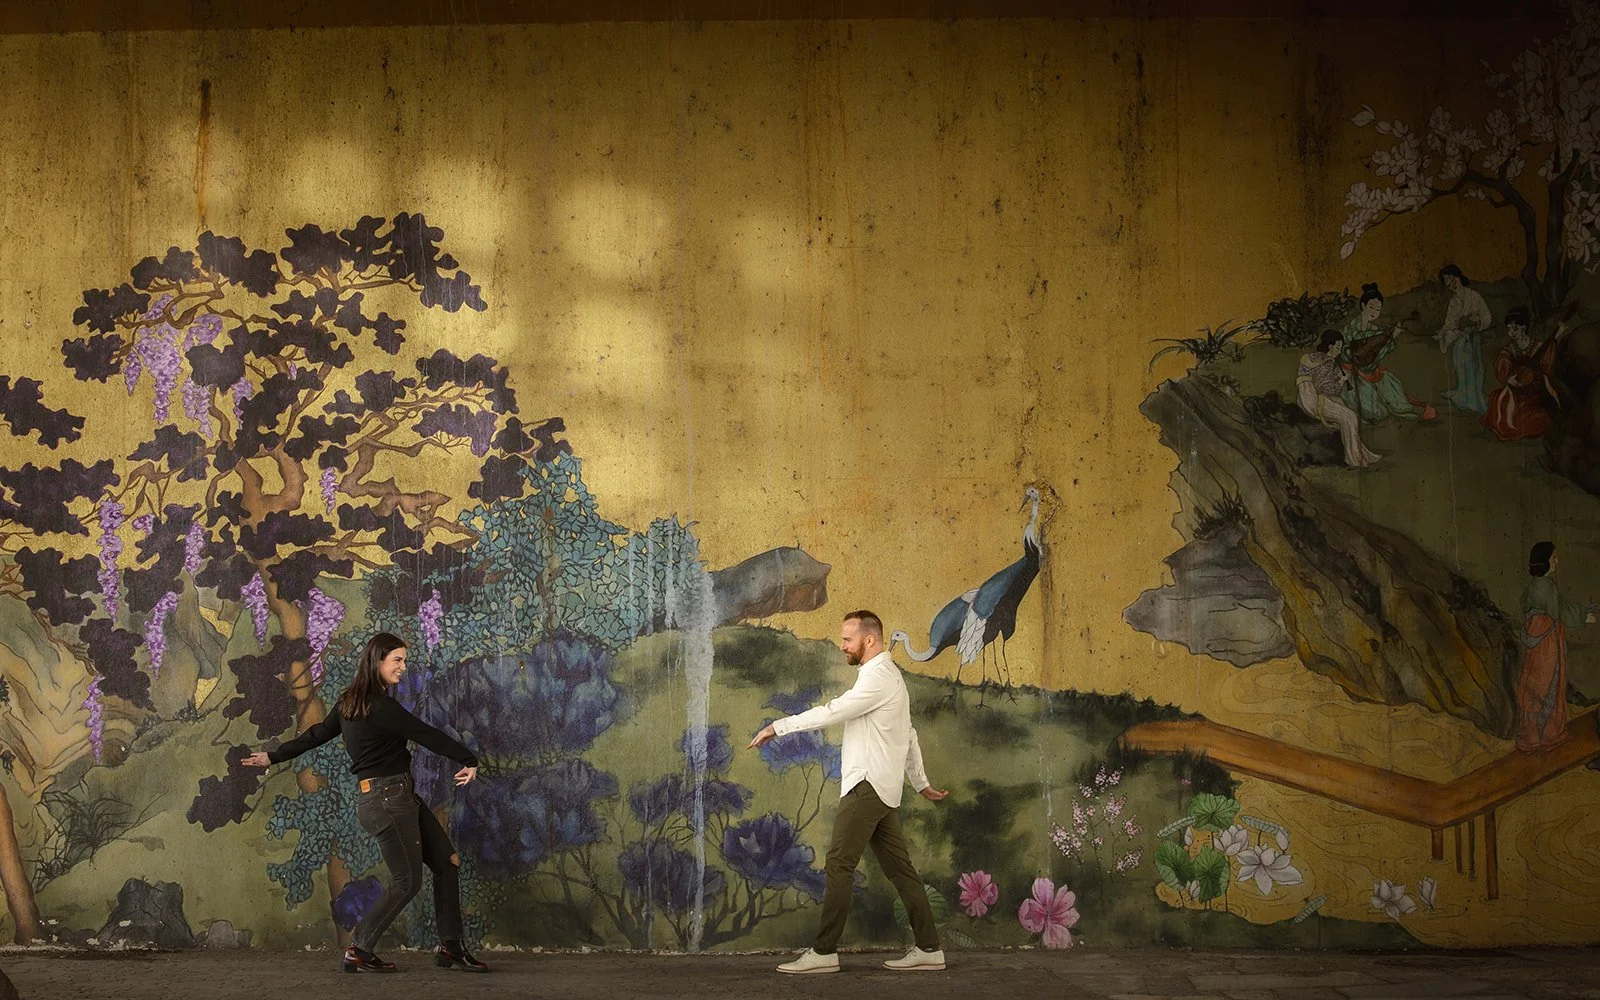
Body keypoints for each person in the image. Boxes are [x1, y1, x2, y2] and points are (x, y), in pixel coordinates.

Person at [242, 632, 487, 974]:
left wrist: (273, 756)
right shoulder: (380, 706)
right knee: (407, 881)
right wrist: (469, 759)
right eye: (397, 660)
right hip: (389, 801)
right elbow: (424, 734)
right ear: (377, 662)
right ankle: (359, 948)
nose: (403, 666)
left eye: (404, 659)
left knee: (447, 862)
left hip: (394, 798)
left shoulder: (349, 702)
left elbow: (314, 736)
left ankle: (451, 947)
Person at [748, 610, 949, 975]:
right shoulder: (888, 677)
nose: (842, 645)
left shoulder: (878, 679)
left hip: (866, 786)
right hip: (882, 791)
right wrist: (919, 783)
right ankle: (929, 948)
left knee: (840, 865)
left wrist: (779, 726)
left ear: (869, 640)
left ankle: (824, 952)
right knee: (901, 871)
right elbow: (910, 734)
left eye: (847, 639)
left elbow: (832, 711)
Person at [1514, 542, 1597, 754]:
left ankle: (1530, 738)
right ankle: (1550, 736)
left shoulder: (1534, 585)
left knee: (1533, 687)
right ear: (1545, 561)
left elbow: (1529, 605)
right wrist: (1582, 616)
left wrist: (1581, 611)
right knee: (1549, 685)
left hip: (1535, 646)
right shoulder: (1548, 586)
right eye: (1554, 558)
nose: (1557, 562)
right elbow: (1557, 610)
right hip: (1548, 644)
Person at [1340, 282, 1437, 423]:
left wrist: (1394, 335)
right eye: (1371, 307)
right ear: (1363, 306)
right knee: (1376, 413)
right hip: (1355, 376)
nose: (1374, 311)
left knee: (1399, 403)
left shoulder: (1376, 331)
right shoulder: (1350, 329)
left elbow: (1380, 351)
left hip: (1374, 372)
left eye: (1377, 309)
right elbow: (1345, 352)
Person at [1483, 306, 1570, 441]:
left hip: (1533, 389)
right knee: (1496, 399)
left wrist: (1557, 335)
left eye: (1515, 329)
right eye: (1509, 329)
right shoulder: (1511, 348)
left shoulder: (1536, 345)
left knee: (1537, 415)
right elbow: (1503, 360)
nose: (1511, 333)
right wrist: (1509, 378)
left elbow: (1546, 359)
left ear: (1523, 327)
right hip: (1516, 388)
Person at [1297, 329, 1381, 468]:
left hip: (1306, 397)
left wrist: (1340, 376)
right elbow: (1328, 389)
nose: (1339, 351)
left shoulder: (1319, 358)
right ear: (1330, 346)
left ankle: (1360, 454)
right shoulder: (1326, 363)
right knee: (1349, 417)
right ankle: (1354, 459)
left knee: (1347, 411)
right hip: (1314, 401)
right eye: (1338, 347)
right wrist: (1342, 381)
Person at [1434, 265, 1492, 414]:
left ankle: (1475, 399)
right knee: (1460, 365)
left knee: (1475, 367)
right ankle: (1463, 396)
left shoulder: (1474, 296)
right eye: (1446, 282)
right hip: (1460, 338)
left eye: (1450, 279)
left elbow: (1487, 317)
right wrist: (1443, 332)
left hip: (1473, 337)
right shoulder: (1453, 302)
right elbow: (1450, 323)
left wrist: (1476, 320)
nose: (1449, 285)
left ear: (1457, 278)